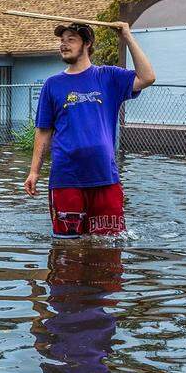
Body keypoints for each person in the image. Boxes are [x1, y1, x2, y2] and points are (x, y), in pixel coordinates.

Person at [24, 22, 155, 238]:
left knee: (109, 246)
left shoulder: (109, 77)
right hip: (66, 178)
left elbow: (147, 77)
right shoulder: (52, 84)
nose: (64, 45)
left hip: (104, 176)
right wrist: (34, 171)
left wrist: (127, 36)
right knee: (67, 252)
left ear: (87, 44)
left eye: (71, 39)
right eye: (62, 40)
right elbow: (43, 131)